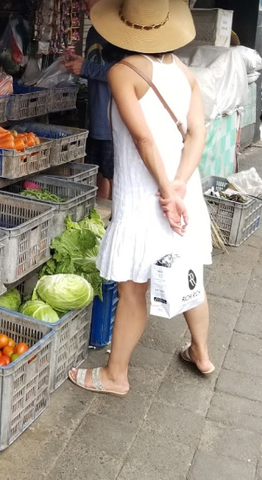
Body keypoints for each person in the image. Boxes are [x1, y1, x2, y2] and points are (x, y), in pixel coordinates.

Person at [68, 0, 214, 397]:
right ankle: (201, 354)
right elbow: (198, 134)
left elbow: (143, 137)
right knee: (187, 271)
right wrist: (181, 185)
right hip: (184, 193)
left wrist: (167, 191)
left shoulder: (122, 72)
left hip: (147, 195)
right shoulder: (183, 72)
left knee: (133, 287)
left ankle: (116, 375)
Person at [64, 0, 114, 200]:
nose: (84, 8)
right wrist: (77, 64)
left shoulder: (120, 34)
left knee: (114, 176)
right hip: (96, 116)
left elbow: (125, 73)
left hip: (114, 121)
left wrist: (85, 68)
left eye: (87, 2)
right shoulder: (94, 31)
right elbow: (96, 67)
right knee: (97, 172)